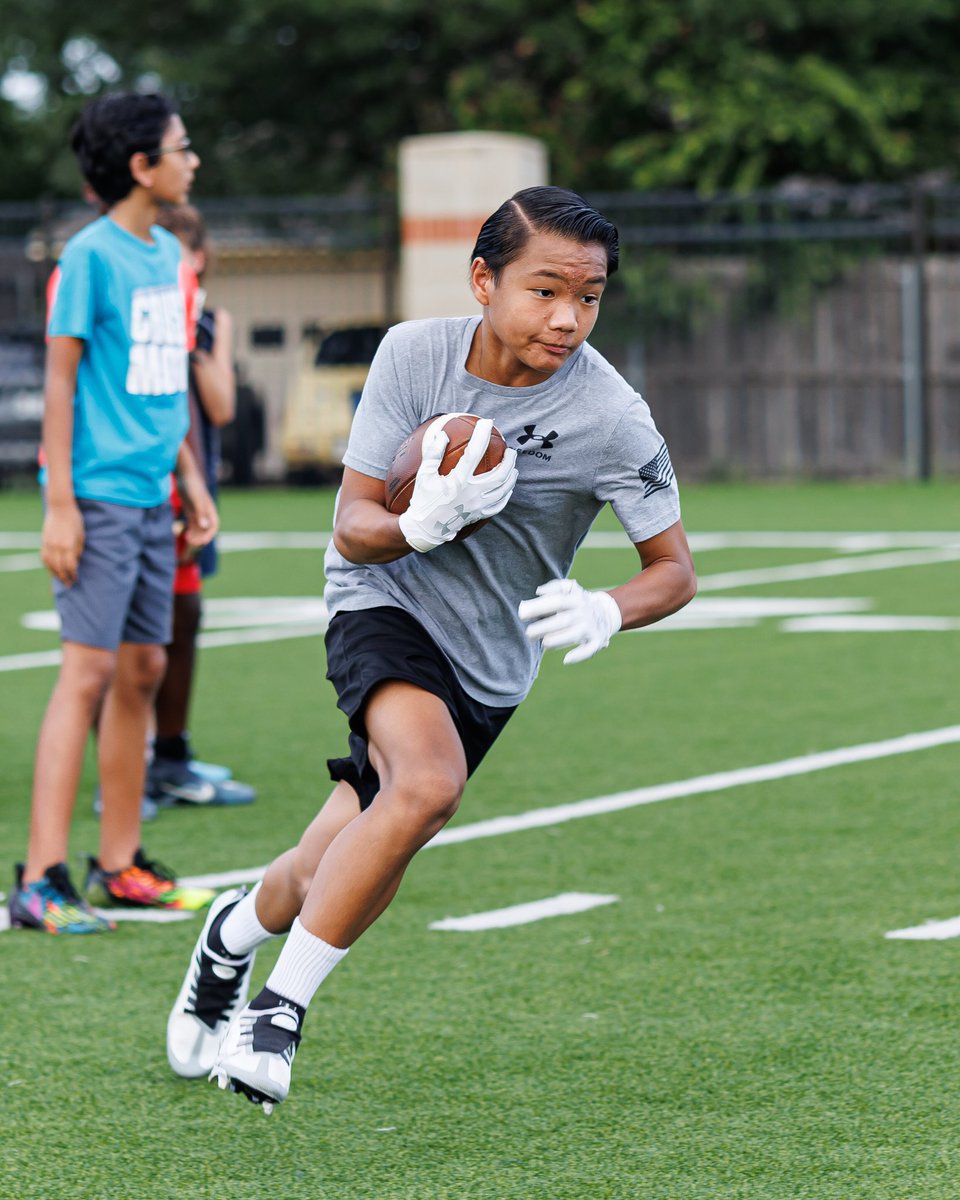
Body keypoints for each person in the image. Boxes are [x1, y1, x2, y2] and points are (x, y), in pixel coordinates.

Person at [165, 186, 696, 1108]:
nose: (569, 317)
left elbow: (674, 569)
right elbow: (353, 527)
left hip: (491, 661)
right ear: (483, 280)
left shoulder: (612, 414)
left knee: (335, 854)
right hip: (385, 602)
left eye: (591, 296)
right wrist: (423, 524)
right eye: (545, 291)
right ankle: (274, 1016)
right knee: (426, 786)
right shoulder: (414, 354)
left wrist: (610, 608)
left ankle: (231, 936)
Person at [8, 92, 219, 935]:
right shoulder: (89, 257)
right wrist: (59, 504)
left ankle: (121, 865)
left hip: (154, 495)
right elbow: (60, 380)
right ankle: (39, 880)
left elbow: (164, 384)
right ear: (141, 166)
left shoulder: (167, 252)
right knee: (87, 676)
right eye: (182, 147)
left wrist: (193, 479)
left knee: (141, 675)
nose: (192, 160)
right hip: (94, 498)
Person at [145, 204, 256, 808]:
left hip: (192, 492)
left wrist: (186, 335)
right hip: (139, 489)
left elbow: (219, 407)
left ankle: (171, 754)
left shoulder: (209, 323)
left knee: (185, 617)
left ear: (199, 260)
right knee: (134, 632)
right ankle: (132, 765)